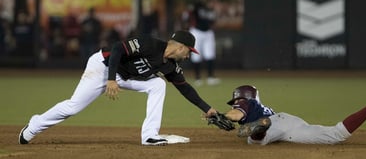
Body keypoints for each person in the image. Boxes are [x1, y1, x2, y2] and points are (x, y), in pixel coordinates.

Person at [19, 30, 218, 146]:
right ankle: (35, 125)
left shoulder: (171, 66)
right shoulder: (149, 44)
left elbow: (185, 89)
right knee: (73, 107)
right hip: (103, 67)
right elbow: (117, 49)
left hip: (124, 76)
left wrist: (208, 109)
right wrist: (111, 79)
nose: (188, 56)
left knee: (158, 84)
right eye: (189, 52)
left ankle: (149, 135)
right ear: (181, 47)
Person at [223, 85, 366, 145]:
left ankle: (260, 130)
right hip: (289, 122)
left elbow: (236, 114)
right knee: (336, 134)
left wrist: (224, 117)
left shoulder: (246, 102)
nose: (236, 103)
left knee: (254, 142)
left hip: (272, 124)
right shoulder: (260, 105)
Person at [186, 0, 220, 86]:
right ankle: (197, 78)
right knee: (196, 55)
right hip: (196, 32)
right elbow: (187, 18)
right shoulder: (195, 7)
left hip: (208, 32)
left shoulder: (210, 10)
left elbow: (212, 21)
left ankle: (210, 77)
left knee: (210, 55)